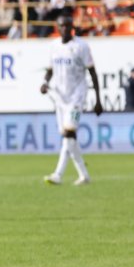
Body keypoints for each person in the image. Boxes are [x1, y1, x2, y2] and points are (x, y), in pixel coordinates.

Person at [41, 13, 103, 186]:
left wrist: (98, 100)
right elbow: (49, 70)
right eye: (62, 26)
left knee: (69, 131)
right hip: (60, 99)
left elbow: (92, 72)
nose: (65, 29)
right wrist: (45, 83)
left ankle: (58, 174)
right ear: (58, 27)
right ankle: (84, 175)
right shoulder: (53, 47)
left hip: (77, 98)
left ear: (72, 27)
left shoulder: (81, 47)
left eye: (68, 26)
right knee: (68, 136)